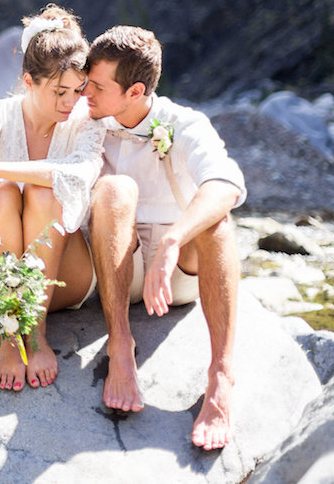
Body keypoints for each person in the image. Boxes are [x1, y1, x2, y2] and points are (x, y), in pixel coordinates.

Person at [81, 25, 246, 450]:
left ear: (135, 91)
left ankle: (221, 375)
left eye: (97, 86)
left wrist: (173, 240)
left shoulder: (183, 122)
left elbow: (227, 184)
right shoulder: (83, 122)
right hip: (120, 269)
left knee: (217, 222)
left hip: (179, 274)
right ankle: (120, 346)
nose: (86, 93)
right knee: (116, 189)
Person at [0, 3, 106, 392]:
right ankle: (8, 337)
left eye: (77, 91)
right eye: (59, 91)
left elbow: (79, 174)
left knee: (42, 187)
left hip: (61, 278)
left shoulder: (86, 124)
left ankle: (34, 334)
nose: (70, 102)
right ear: (28, 80)